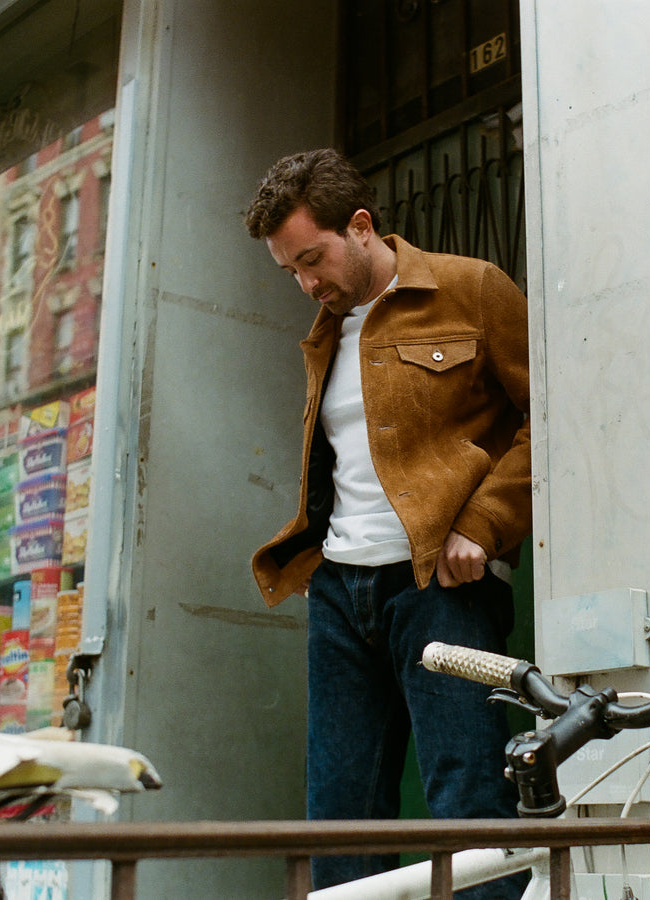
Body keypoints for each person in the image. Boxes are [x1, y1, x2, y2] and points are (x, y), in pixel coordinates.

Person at [244, 148, 532, 898]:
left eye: (313, 259)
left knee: (468, 807)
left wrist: (485, 520)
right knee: (340, 820)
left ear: (362, 226)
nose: (307, 284)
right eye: (292, 272)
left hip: (439, 584)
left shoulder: (471, 289)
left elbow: (555, 415)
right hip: (340, 592)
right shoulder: (326, 331)